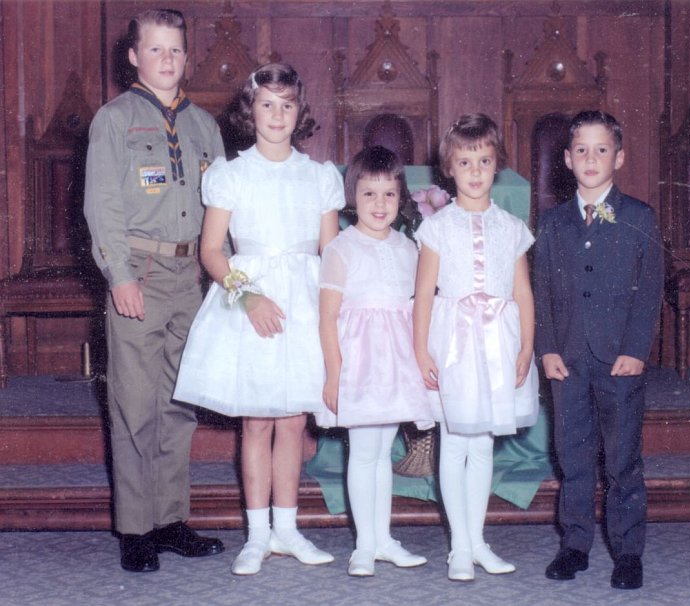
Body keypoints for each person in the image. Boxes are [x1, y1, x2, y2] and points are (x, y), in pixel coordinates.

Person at [173, 63, 344, 575]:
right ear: (251, 111)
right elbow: (210, 251)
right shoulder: (231, 173)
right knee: (257, 421)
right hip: (248, 301)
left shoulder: (319, 176)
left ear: (300, 112)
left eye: (287, 105)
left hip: (304, 303)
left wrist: (334, 316)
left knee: (293, 421)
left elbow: (332, 254)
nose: (277, 114)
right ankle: (257, 534)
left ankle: (288, 530)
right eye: (267, 104)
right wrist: (246, 297)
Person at [83, 9, 226, 572]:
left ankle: (170, 519)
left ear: (186, 57)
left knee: (179, 403)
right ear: (134, 56)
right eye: (156, 50)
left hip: (192, 275)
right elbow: (103, 205)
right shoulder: (114, 121)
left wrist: (227, 281)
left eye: (176, 51)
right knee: (135, 404)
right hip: (140, 272)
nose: (167, 61)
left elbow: (222, 208)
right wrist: (118, 275)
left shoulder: (204, 126)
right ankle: (136, 529)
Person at [533, 110, 663, 590]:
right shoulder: (551, 223)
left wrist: (636, 349)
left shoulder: (639, 218)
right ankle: (575, 545)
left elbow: (649, 289)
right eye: (581, 150)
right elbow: (541, 287)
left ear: (620, 157)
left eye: (601, 149)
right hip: (568, 360)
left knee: (623, 458)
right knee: (573, 456)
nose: (591, 158)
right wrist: (546, 348)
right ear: (567, 159)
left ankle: (628, 553)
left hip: (620, 361)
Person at [413, 113, 539, 582]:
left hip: (497, 344)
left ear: (496, 165)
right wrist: (422, 351)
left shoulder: (510, 226)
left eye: (484, 161)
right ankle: (459, 548)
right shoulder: (437, 228)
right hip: (453, 345)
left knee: (483, 442)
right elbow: (424, 294)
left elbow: (522, 291)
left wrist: (526, 345)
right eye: (465, 162)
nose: (475, 171)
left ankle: (479, 539)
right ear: (449, 167)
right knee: (454, 442)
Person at [315, 145, 434, 577]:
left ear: (400, 196)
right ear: (353, 196)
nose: (379, 204)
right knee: (363, 453)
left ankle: (382, 538)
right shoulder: (341, 249)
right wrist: (334, 374)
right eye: (369, 194)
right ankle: (363, 545)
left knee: (383, 452)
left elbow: (415, 310)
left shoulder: (409, 248)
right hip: (359, 367)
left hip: (396, 365)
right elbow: (328, 318)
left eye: (388, 194)